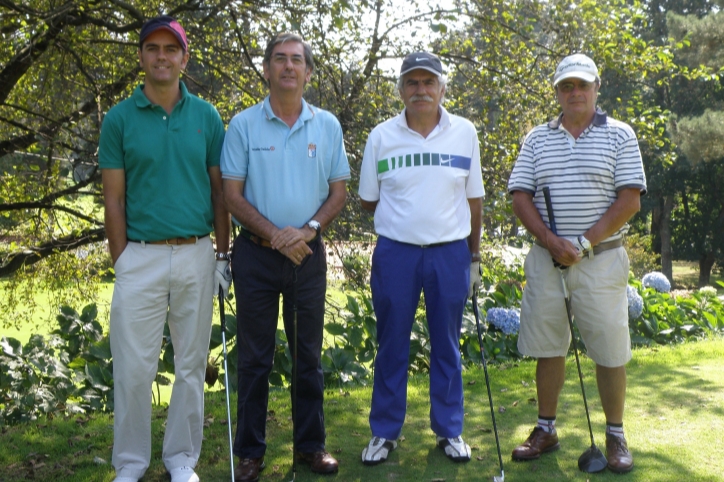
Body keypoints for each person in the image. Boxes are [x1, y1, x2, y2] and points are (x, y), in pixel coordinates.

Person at [99, 15, 230, 482]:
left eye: (170, 49)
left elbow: (219, 192)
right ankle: (131, 465)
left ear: (183, 58)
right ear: (141, 57)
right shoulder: (119, 118)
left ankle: (181, 461)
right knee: (134, 368)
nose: (161, 57)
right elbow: (113, 197)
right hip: (140, 254)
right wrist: (122, 258)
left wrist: (222, 254)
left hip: (197, 252)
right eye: (152, 48)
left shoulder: (207, 116)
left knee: (192, 363)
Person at [507, 53, 646, 473]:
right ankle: (545, 429)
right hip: (547, 260)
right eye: (566, 86)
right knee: (548, 346)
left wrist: (582, 244)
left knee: (608, 348)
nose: (575, 92)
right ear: (557, 92)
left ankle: (616, 435)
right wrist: (550, 241)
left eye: (582, 85)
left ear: (596, 88)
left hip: (601, 259)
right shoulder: (536, 138)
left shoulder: (620, 135)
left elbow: (630, 201)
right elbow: (520, 196)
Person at [220, 33, 349, 482]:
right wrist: (277, 235)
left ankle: (310, 447)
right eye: (280, 59)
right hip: (255, 257)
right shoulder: (243, 125)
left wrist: (308, 231)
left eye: (297, 60)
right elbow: (231, 195)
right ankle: (251, 453)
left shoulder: (327, 125)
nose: (289, 67)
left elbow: (338, 192)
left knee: (307, 357)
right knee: (255, 358)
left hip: (307, 257)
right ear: (267, 69)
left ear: (308, 72)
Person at [357, 52, 484, 465]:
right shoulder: (381, 136)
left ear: (443, 88)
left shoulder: (464, 133)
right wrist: (406, 223)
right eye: (411, 82)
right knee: (391, 341)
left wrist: (474, 256)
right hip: (397, 253)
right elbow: (368, 200)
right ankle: (384, 431)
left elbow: (474, 198)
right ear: (400, 90)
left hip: (450, 252)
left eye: (428, 82)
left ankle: (450, 430)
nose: (420, 90)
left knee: (446, 342)